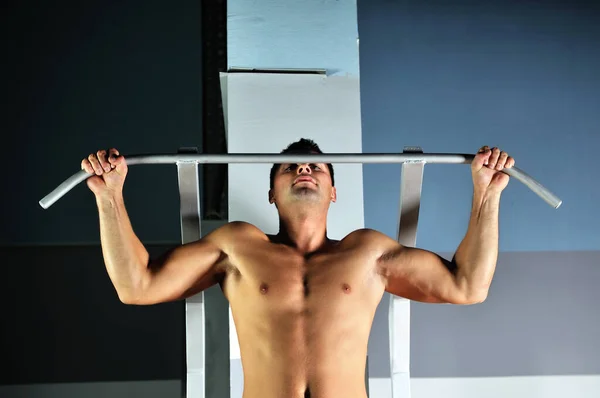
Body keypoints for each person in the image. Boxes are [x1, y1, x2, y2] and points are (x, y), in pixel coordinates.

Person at [81, 139, 514, 398]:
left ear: (333, 191)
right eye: (290, 167)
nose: (304, 169)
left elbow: (468, 285)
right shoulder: (237, 247)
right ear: (271, 193)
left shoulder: (368, 253)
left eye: (317, 167)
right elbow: (136, 286)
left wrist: (486, 193)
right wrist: (110, 196)